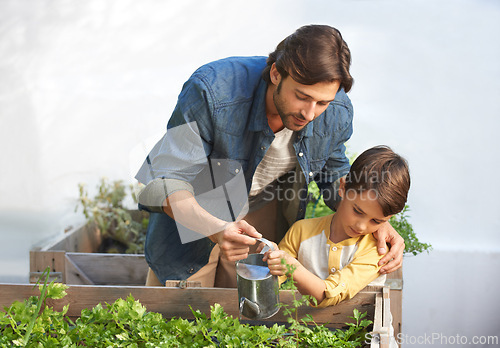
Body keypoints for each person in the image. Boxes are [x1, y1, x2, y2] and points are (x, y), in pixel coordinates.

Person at [135, 24, 405, 288]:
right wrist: (215, 229)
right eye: (302, 96)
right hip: (195, 204)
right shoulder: (212, 91)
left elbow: (333, 176)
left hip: (262, 205)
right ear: (276, 73)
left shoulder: (337, 110)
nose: (310, 114)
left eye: (322, 102)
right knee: (181, 307)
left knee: (244, 313)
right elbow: (165, 181)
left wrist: (375, 221)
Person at [262, 146, 410, 307]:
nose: (361, 226)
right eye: (357, 211)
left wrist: (292, 267)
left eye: (376, 221)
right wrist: (268, 259)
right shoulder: (301, 231)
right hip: (307, 327)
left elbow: (328, 295)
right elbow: (270, 282)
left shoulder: (377, 251)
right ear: (342, 188)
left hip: (365, 331)